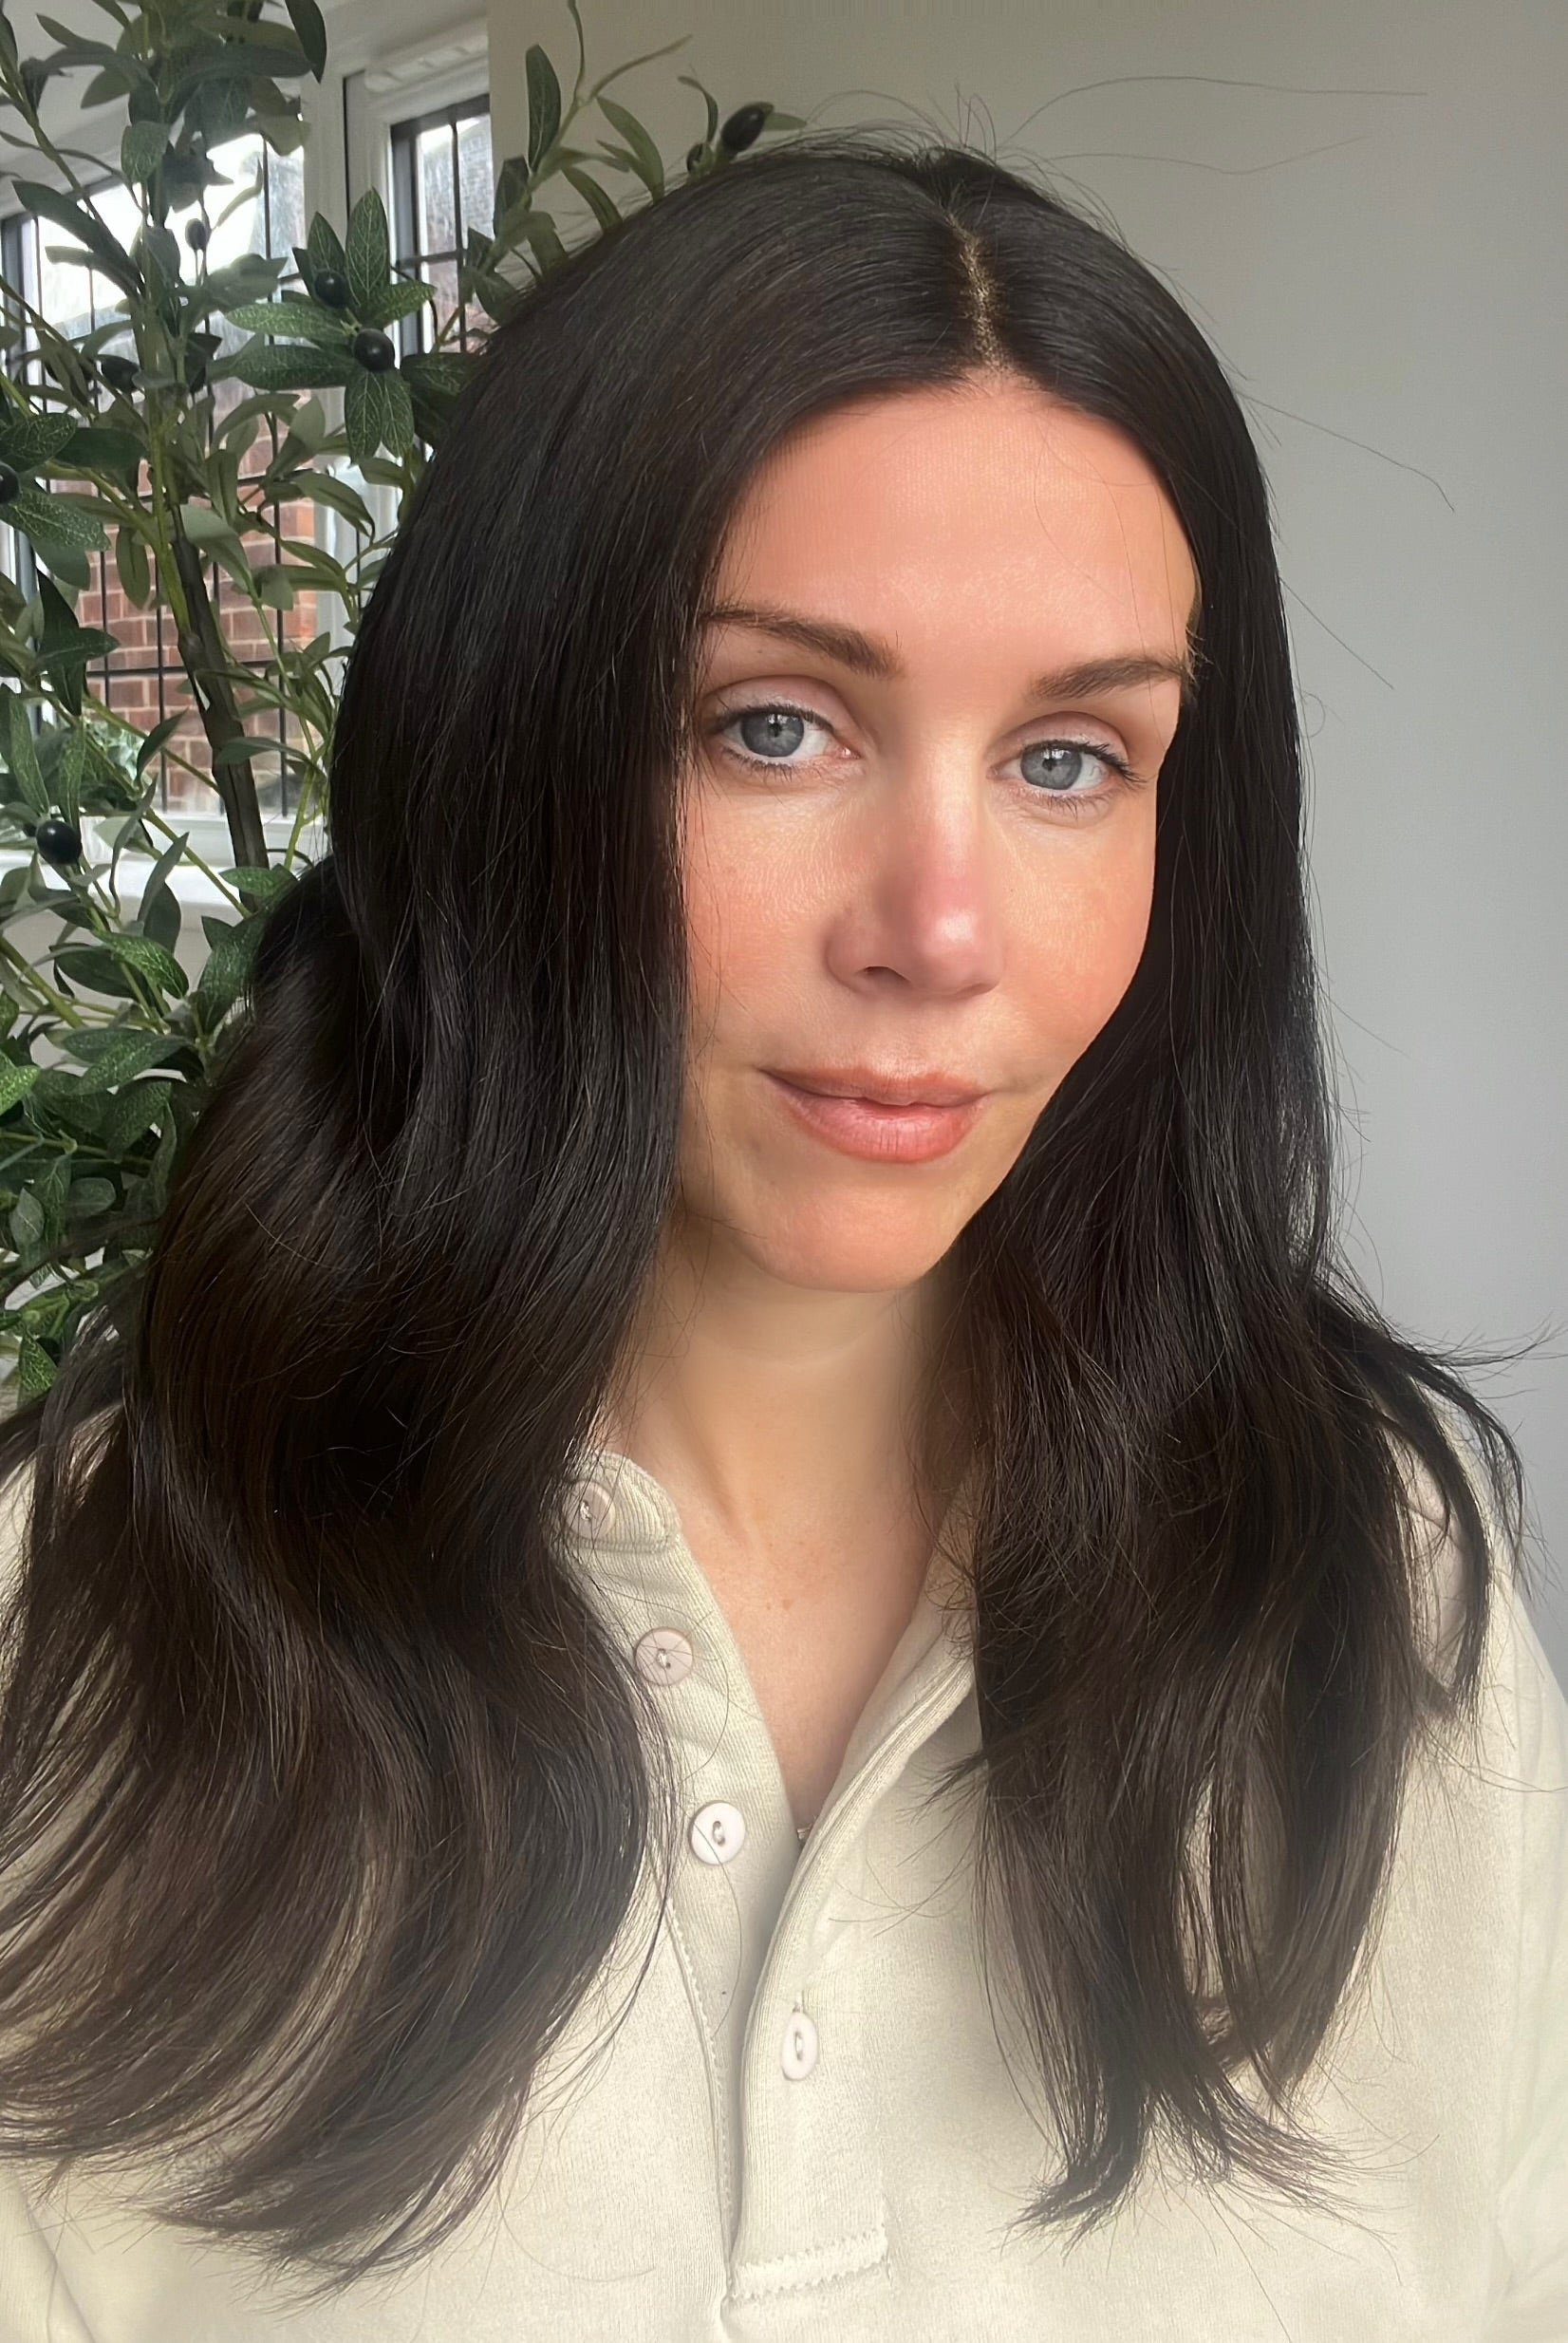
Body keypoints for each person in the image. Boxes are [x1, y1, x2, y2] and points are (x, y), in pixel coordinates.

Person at [0, 128, 1560, 2342]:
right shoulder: (70, 1654)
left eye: (1069, 759)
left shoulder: (1374, 1583)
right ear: (500, 764)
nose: (939, 931)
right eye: (774, 726)